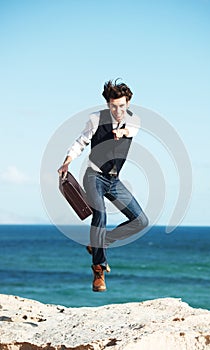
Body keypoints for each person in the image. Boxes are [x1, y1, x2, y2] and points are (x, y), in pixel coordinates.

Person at [58, 79, 148, 292]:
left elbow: (130, 131)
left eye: (122, 106)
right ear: (108, 103)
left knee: (141, 221)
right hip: (94, 176)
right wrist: (67, 161)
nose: (118, 111)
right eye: (114, 106)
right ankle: (98, 269)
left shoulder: (134, 121)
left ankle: (99, 242)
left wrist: (122, 132)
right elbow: (81, 141)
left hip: (114, 180)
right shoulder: (96, 119)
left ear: (128, 104)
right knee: (101, 215)